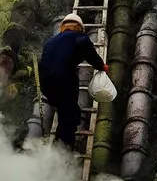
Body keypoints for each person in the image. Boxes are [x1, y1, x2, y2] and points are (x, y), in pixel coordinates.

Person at [38, 13, 108, 149]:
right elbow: (87, 49)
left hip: (45, 84)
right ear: (78, 27)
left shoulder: (51, 42)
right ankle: (63, 149)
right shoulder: (78, 37)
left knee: (64, 109)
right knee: (70, 116)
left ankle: (60, 142)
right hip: (63, 81)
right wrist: (101, 66)